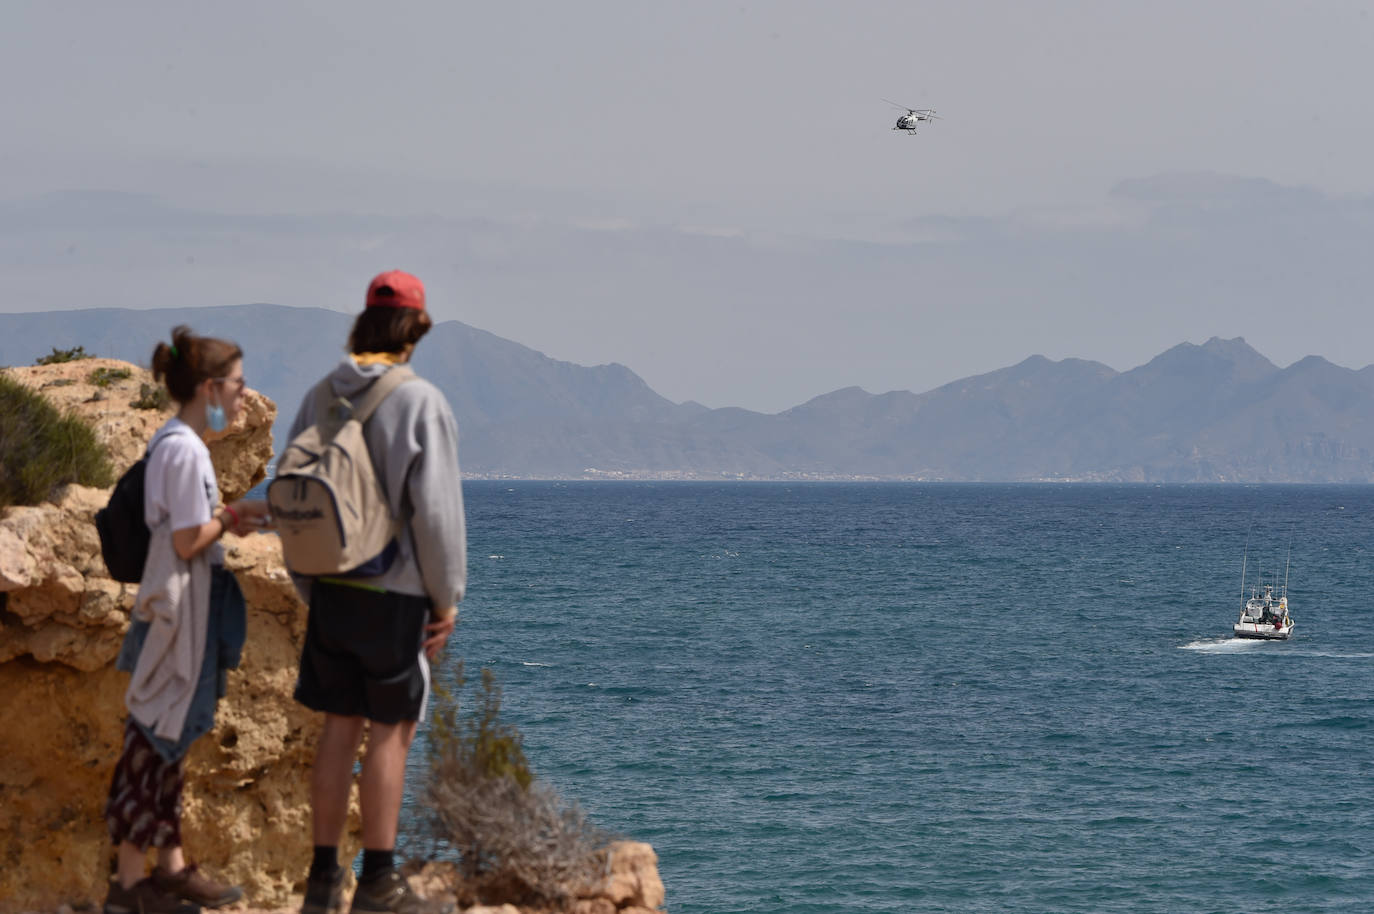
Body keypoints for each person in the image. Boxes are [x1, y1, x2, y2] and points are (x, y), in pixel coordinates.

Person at [290, 271, 466, 914]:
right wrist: (446, 599)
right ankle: (380, 882)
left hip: (331, 587)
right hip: (394, 593)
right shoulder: (421, 402)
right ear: (415, 329)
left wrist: (307, 584)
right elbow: (438, 515)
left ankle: (321, 880)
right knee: (390, 732)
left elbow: (295, 497)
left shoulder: (319, 395)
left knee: (339, 728)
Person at [104, 326, 273, 914]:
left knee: (162, 744)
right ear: (210, 387)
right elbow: (183, 541)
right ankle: (129, 885)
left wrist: (228, 520)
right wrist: (231, 517)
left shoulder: (181, 444)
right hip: (173, 616)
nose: (245, 395)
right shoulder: (182, 450)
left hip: (183, 613)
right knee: (150, 743)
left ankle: (161, 871)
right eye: (238, 384)